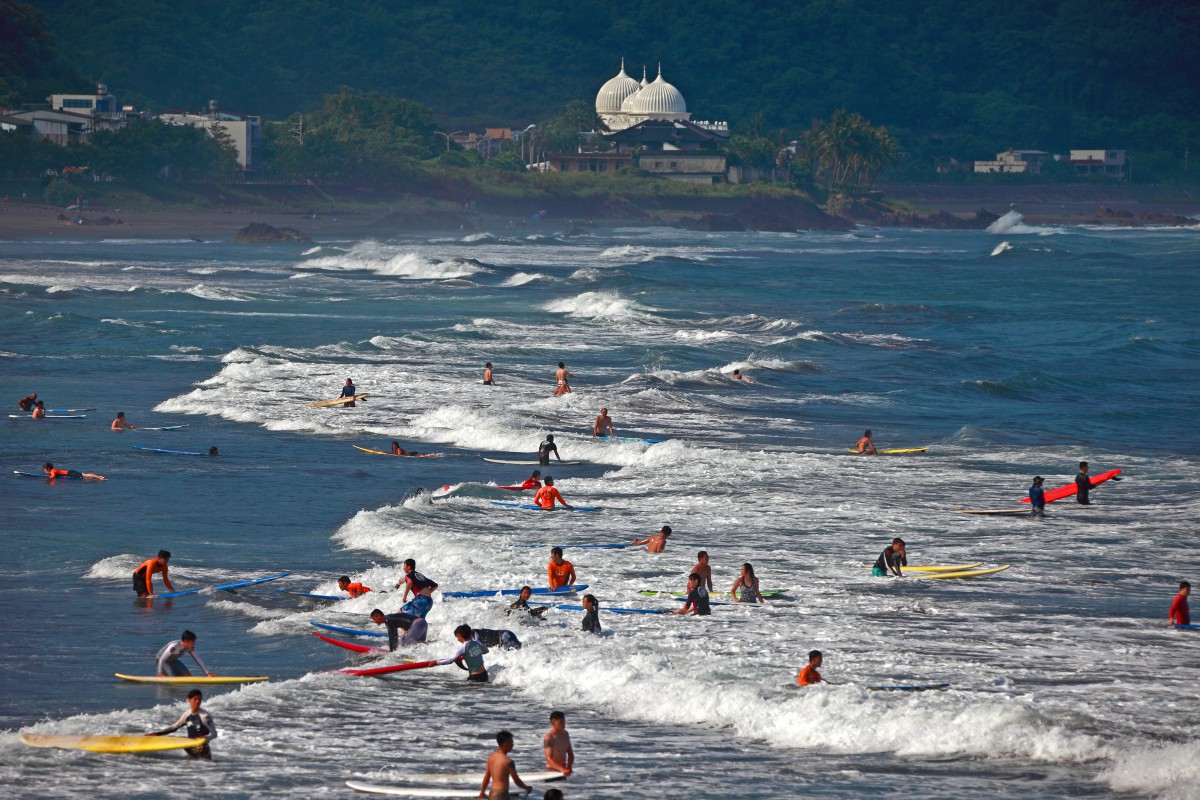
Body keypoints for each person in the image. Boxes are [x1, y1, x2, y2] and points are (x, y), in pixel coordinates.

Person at [150, 689, 217, 760]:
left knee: (199, 758)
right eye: (195, 699)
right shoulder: (187, 714)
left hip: (202, 751)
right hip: (190, 746)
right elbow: (174, 727)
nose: (198, 701)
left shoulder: (204, 716)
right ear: (189, 700)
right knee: (175, 738)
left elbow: (214, 734)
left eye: (199, 699)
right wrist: (157, 734)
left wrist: (206, 738)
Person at [480, 730, 532, 799]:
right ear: (505, 744)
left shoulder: (491, 757)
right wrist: (526, 787)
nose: (512, 745)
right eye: (511, 742)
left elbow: (487, 777)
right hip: (502, 794)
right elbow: (516, 780)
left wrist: (482, 792)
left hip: (492, 793)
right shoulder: (508, 761)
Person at [543, 711, 574, 776]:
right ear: (553, 723)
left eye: (564, 721)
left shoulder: (565, 734)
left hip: (563, 772)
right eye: (561, 722)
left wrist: (569, 766)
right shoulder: (548, 738)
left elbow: (570, 754)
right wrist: (563, 769)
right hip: (552, 772)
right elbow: (549, 760)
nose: (564, 724)